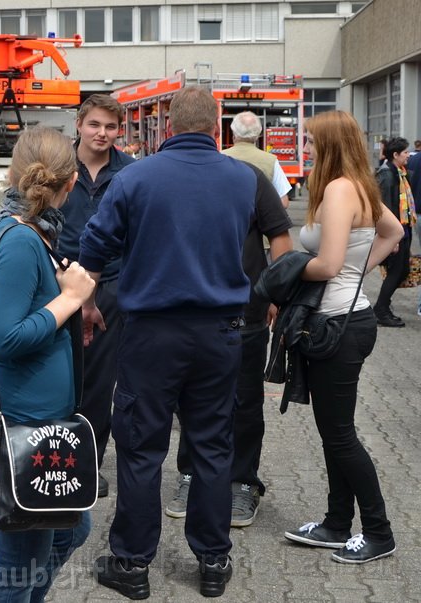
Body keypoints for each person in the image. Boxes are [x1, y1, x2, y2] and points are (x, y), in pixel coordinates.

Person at [80, 86, 260, 599]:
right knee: (212, 447)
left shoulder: (135, 176)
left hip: (152, 334)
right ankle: (213, 561)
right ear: (216, 125)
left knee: (140, 447)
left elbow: (96, 244)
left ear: (168, 127)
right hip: (220, 334)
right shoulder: (241, 179)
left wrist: (88, 297)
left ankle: (132, 566)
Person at [0, 127, 95, 601]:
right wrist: (70, 300)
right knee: (19, 566)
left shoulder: (30, 235)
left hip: (36, 425)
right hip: (12, 428)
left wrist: (60, 296)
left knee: (71, 531)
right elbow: (5, 337)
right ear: (73, 181)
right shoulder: (20, 239)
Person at [281, 110, 402, 564]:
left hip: (337, 326)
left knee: (341, 436)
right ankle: (336, 523)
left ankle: (379, 531)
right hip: (345, 321)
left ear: (329, 144)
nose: (306, 150)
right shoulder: (359, 185)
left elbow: (328, 265)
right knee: (334, 433)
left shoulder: (337, 189)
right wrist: (359, 271)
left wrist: (284, 271)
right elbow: (394, 232)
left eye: (311, 143)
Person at [165, 123, 294, 526]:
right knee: (190, 400)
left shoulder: (250, 178)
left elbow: (281, 238)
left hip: (246, 311)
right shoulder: (170, 178)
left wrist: (274, 291)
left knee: (245, 402)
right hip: (189, 310)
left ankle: (242, 483)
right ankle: (191, 474)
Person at [57, 94, 136, 498]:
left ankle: (88, 463)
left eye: (110, 127)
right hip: (58, 284)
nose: (102, 133)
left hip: (109, 289)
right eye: (95, 125)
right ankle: (54, 457)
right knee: (59, 376)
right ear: (79, 124)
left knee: (100, 382)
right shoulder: (56, 165)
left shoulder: (131, 172)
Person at [372, 136, 414, 327]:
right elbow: (385, 207)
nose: (408, 155)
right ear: (395, 154)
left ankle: (383, 307)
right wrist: (392, 238)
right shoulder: (387, 175)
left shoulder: (399, 172)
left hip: (403, 230)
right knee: (396, 271)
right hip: (394, 233)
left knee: (402, 270)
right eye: (405, 152)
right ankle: (381, 310)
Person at [223, 111, 292, 208]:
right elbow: (283, 202)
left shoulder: (219, 157)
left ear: (233, 133)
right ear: (257, 135)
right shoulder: (270, 161)